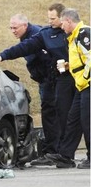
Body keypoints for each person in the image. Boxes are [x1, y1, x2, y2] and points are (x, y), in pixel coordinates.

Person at [0, 3, 76, 165]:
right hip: (51, 81)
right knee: (54, 114)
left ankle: (59, 152)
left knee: (67, 115)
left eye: (54, 18)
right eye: (48, 18)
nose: (50, 22)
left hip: (65, 80)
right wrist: (3, 56)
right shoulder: (44, 34)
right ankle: (57, 152)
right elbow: (24, 47)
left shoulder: (72, 34)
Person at [7, 14, 55, 165]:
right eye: (11, 28)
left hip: (50, 81)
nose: (13, 31)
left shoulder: (35, 35)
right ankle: (53, 150)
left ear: (25, 26)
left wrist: (48, 80)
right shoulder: (28, 34)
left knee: (50, 115)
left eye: (15, 28)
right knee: (51, 114)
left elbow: (48, 59)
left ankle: (52, 152)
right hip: (45, 80)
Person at [46, 8, 90, 169]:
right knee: (73, 119)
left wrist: (86, 78)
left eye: (62, 23)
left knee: (88, 121)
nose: (61, 26)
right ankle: (65, 156)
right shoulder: (73, 36)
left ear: (69, 21)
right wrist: (69, 65)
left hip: (88, 84)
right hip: (82, 86)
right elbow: (82, 60)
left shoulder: (84, 33)